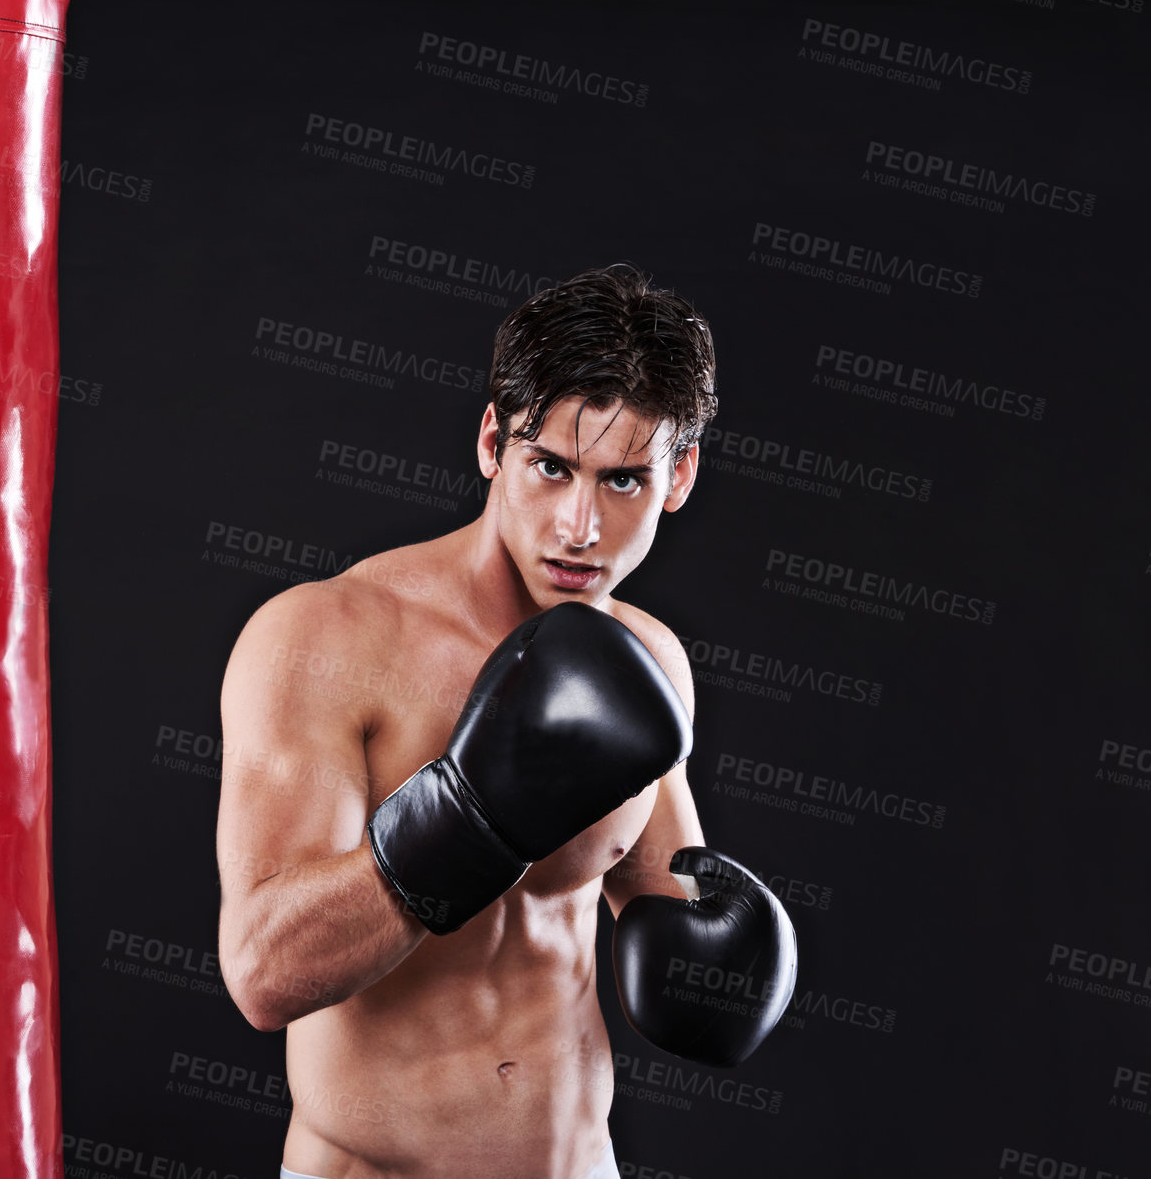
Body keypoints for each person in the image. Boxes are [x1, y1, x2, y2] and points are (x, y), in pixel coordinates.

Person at [215, 264, 795, 1179]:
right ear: (493, 442)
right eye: (551, 466)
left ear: (679, 476)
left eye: (624, 482)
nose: (580, 525)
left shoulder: (649, 661)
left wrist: (723, 971)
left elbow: (662, 909)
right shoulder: (324, 637)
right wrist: (468, 815)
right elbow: (264, 973)